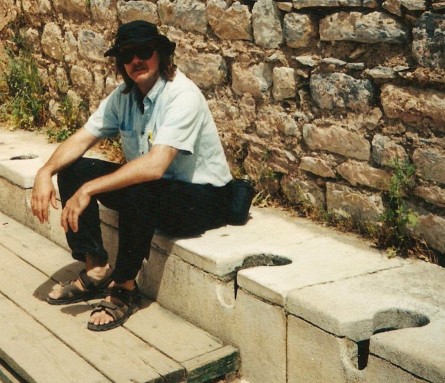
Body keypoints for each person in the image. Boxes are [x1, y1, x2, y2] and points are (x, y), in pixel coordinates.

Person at [31, 20, 233, 331]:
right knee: (72, 168)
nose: (135, 60)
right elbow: (82, 138)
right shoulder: (124, 97)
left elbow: (155, 166)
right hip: (159, 191)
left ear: (161, 55)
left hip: (203, 199)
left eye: (144, 51)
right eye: (127, 55)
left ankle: (125, 288)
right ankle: (97, 269)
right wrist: (45, 171)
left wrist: (87, 191)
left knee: (141, 186)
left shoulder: (182, 95)